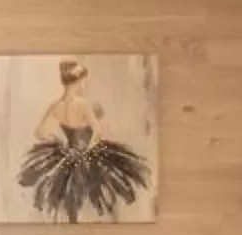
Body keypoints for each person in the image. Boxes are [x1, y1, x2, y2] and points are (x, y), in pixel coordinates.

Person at [18, 58, 150, 222]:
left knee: (73, 200)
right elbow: (97, 132)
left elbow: (40, 132)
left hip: (68, 155)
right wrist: (90, 149)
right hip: (88, 154)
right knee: (101, 198)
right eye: (84, 80)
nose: (85, 84)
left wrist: (61, 143)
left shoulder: (56, 106)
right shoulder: (84, 104)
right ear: (79, 81)